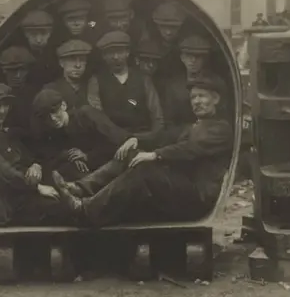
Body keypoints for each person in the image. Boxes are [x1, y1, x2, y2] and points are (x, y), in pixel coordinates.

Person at [53, 76, 233, 226]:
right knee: (130, 155)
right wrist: (136, 140)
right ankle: (80, 188)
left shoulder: (221, 129)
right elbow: (163, 136)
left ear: (216, 99)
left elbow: (190, 149)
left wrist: (154, 155)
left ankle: (85, 210)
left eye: (202, 96)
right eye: (193, 98)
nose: (196, 102)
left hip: (198, 198)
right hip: (183, 188)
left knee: (144, 170)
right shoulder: (192, 127)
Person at [0, 82, 74, 227]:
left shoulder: (2, 134)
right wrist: (38, 188)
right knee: (66, 207)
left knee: (70, 182)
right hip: (7, 206)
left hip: (20, 194)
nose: (2, 110)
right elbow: (5, 175)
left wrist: (35, 165)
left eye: (5, 105)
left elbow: (25, 157)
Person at [31, 89, 138, 181]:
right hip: (89, 169)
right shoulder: (53, 132)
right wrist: (71, 156)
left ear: (63, 106)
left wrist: (87, 156)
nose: (53, 119)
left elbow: (117, 141)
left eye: (54, 112)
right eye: (46, 117)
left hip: (114, 162)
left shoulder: (85, 114)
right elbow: (49, 156)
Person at [86, 31, 164, 134]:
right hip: (110, 140)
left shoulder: (143, 79)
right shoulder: (96, 81)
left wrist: (148, 140)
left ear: (127, 52)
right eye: (110, 52)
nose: (116, 57)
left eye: (120, 52)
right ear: (104, 56)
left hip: (142, 139)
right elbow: (98, 118)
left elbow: (157, 117)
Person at [160, 34, 215, 131]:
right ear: (182, 58)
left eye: (198, 57)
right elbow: (168, 124)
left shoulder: (214, 84)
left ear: (204, 59)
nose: (193, 61)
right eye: (189, 56)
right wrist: (190, 129)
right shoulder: (173, 86)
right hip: (181, 137)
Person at [0, 46, 39, 140]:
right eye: (12, 70)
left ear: (28, 70)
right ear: (4, 70)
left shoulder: (34, 95)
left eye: (22, 70)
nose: (18, 75)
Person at [44, 39, 92, 110]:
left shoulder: (91, 88)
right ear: (62, 63)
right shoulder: (50, 90)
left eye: (82, 60)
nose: (78, 65)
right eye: (72, 60)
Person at [20, 9, 62, 86]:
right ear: (26, 33)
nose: (38, 40)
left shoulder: (56, 56)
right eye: (33, 34)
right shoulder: (19, 56)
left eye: (43, 34)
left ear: (50, 33)